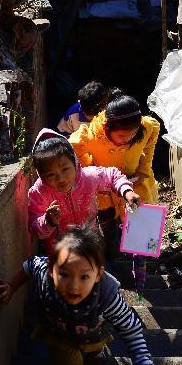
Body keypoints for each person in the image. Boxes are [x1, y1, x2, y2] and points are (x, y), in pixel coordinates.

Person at [0, 226, 171, 365]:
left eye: (84, 277)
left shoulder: (107, 297)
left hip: (93, 331)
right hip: (58, 332)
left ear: (98, 275)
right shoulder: (44, 276)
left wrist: (144, 364)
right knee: (67, 360)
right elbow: (31, 265)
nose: (74, 286)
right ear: (51, 270)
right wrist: (12, 287)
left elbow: (130, 327)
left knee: (95, 349)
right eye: (64, 274)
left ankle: (95, 352)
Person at [69, 94, 160, 287]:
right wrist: (92, 174)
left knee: (143, 232)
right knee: (107, 228)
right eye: (121, 136)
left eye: (132, 135)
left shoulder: (147, 126)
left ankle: (140, 275)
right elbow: (71, 148)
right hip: (106, 192)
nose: (127, 140)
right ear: (108, 127)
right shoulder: (92, 135)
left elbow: (154, 132)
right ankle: (110, 270)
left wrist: (144, 168)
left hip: (135, 185)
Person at [28, 129, 140, 251]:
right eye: (50, 175)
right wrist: (48, 221)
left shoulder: (87, 178)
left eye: (65, 169)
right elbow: (35, 230)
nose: (60, 179)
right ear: (41, 174)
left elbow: (112, 175)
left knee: (93, 267)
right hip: (60, 252)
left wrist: (127, 191)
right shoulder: (40, 192)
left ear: (75, 162)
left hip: (90, 242)